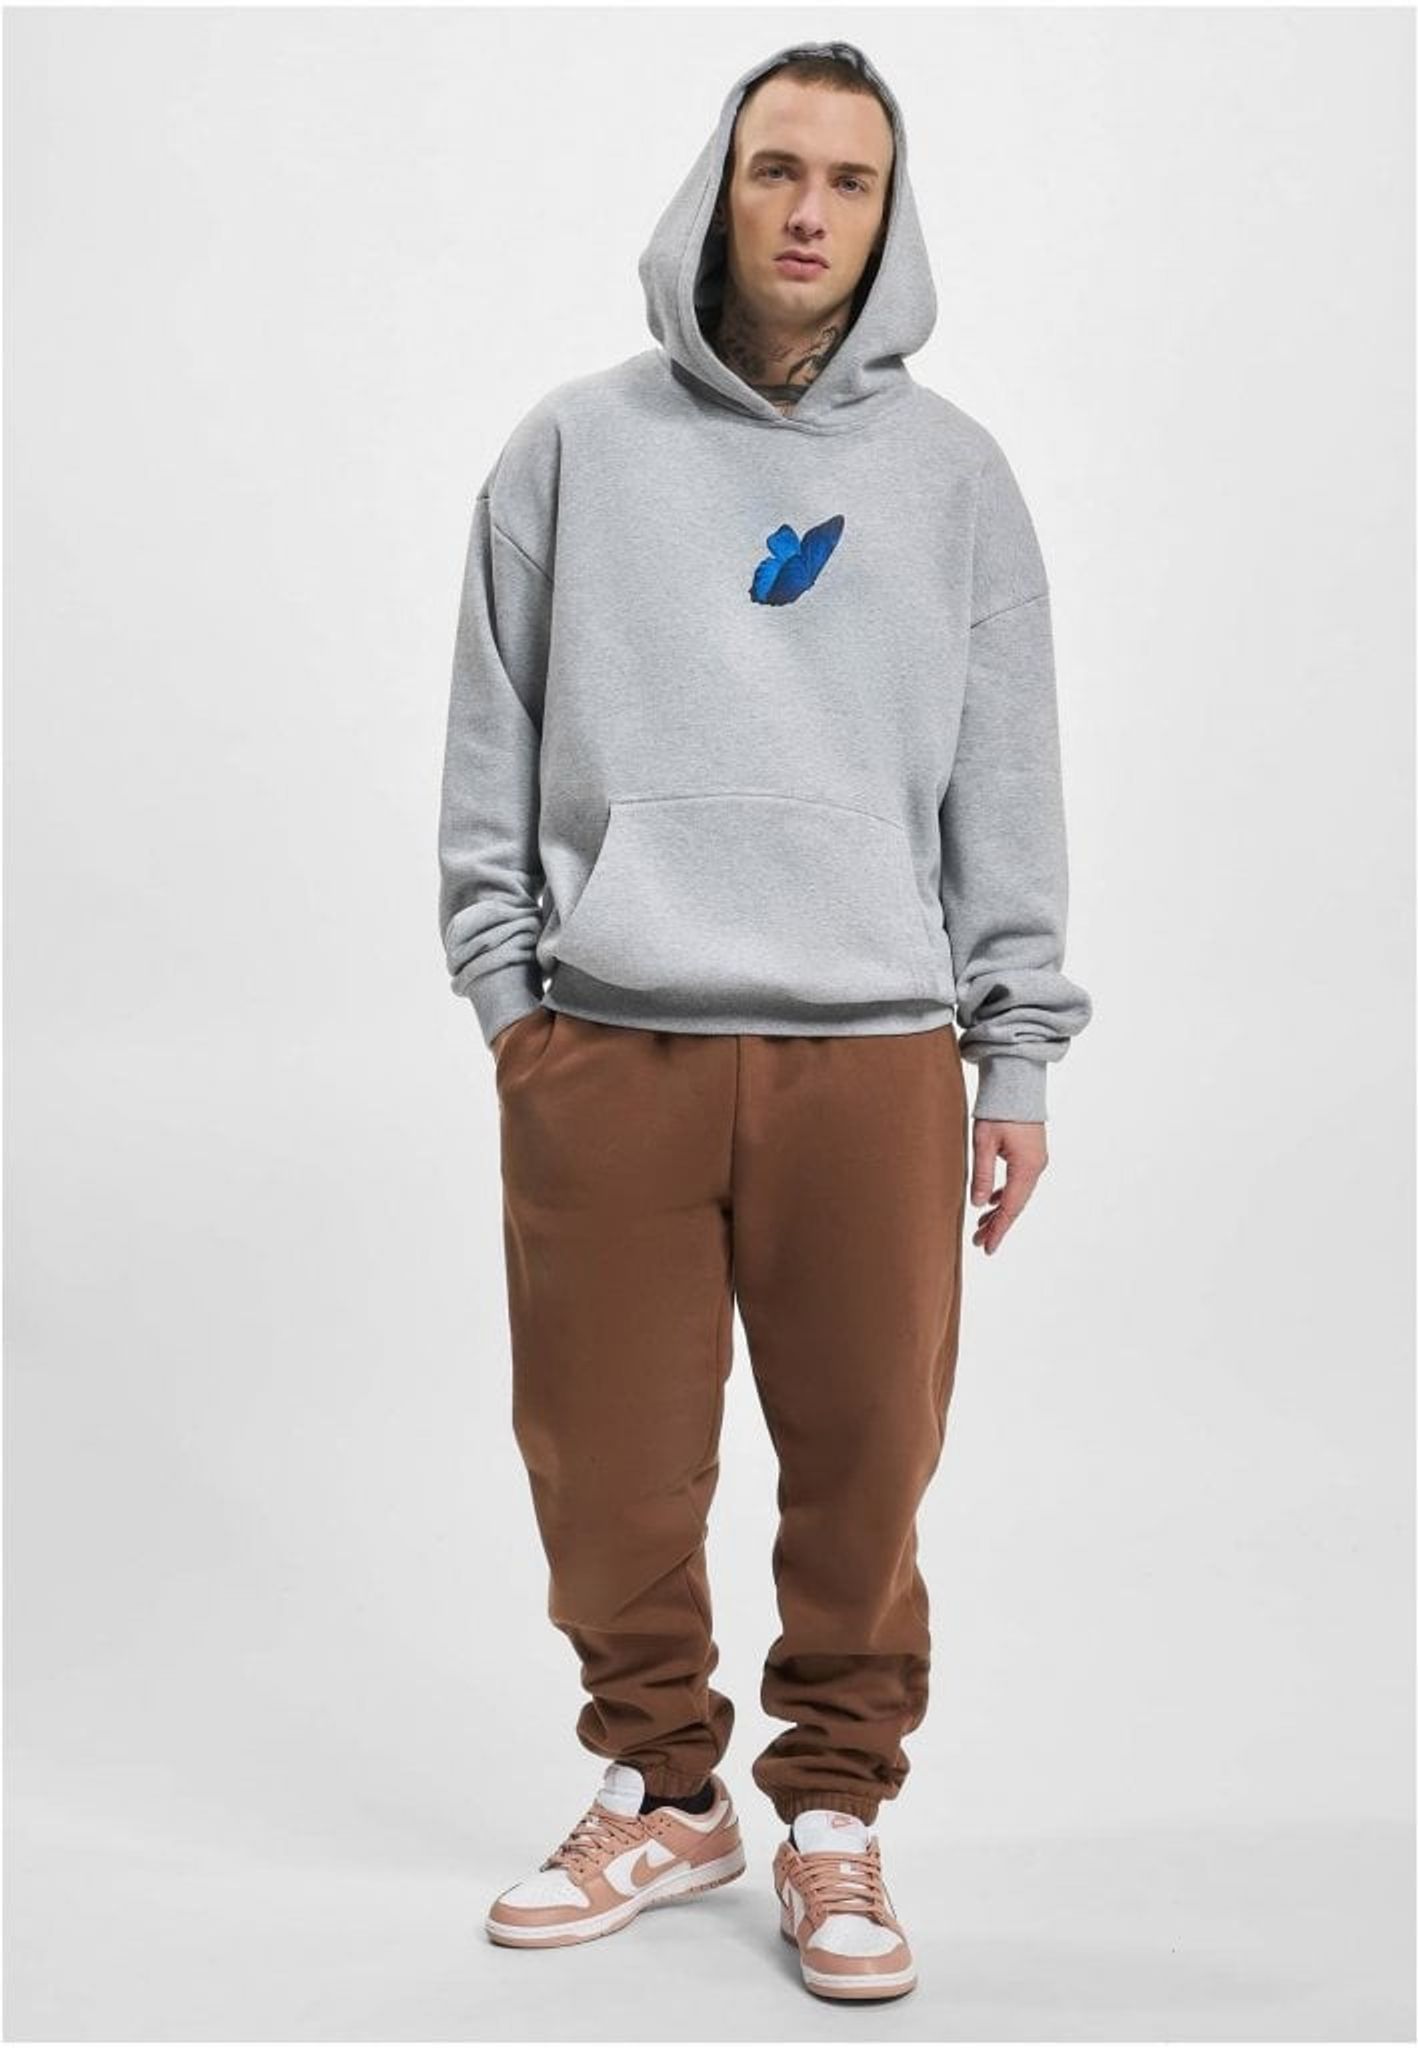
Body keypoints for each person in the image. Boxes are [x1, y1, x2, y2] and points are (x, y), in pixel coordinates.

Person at [436, 37, 1092, 2002]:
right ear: (716, 191)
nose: (809, 211)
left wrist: (1013, 1053)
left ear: (889, 216)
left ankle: (830, 1812)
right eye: (776, 170)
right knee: (604, 1470)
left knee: (867, 1460)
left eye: (850, 181)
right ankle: (661, 1787)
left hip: (873, 1054)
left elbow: (1006, 783)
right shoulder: (573, 448)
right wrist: (514, 1006)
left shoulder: (953, 479)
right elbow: (488, 747)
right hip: (609, 1046)